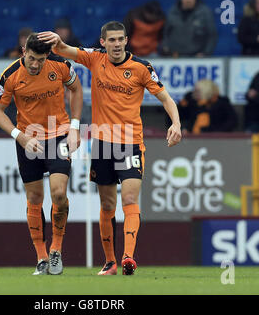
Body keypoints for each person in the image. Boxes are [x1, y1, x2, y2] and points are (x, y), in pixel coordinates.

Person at [38, 21, 181, 276]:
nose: (116, 44)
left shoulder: (141, 67)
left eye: (120, 40)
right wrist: (57, 43)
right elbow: (66, 50)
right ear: (103, 42)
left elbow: (165, 98)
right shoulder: (95, 59)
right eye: (111, 40)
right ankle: (110, 262)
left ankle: (128, 257)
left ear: (127, 41)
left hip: (130, 142)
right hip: (103, 143)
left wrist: (176, 124)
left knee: (128, 199)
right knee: (107, 205)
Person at [0, 33, 83, 275]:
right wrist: (19, 137)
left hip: (59, 134)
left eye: (40, 60)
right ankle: (41, 258)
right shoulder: (10, 75)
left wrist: (74, 127)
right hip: (28, 138)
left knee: (59, 194)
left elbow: (76, 89)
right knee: (34, 198)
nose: (35, 65)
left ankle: (56, 251)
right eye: (32, 58)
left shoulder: (60, 66)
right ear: (24, 51)